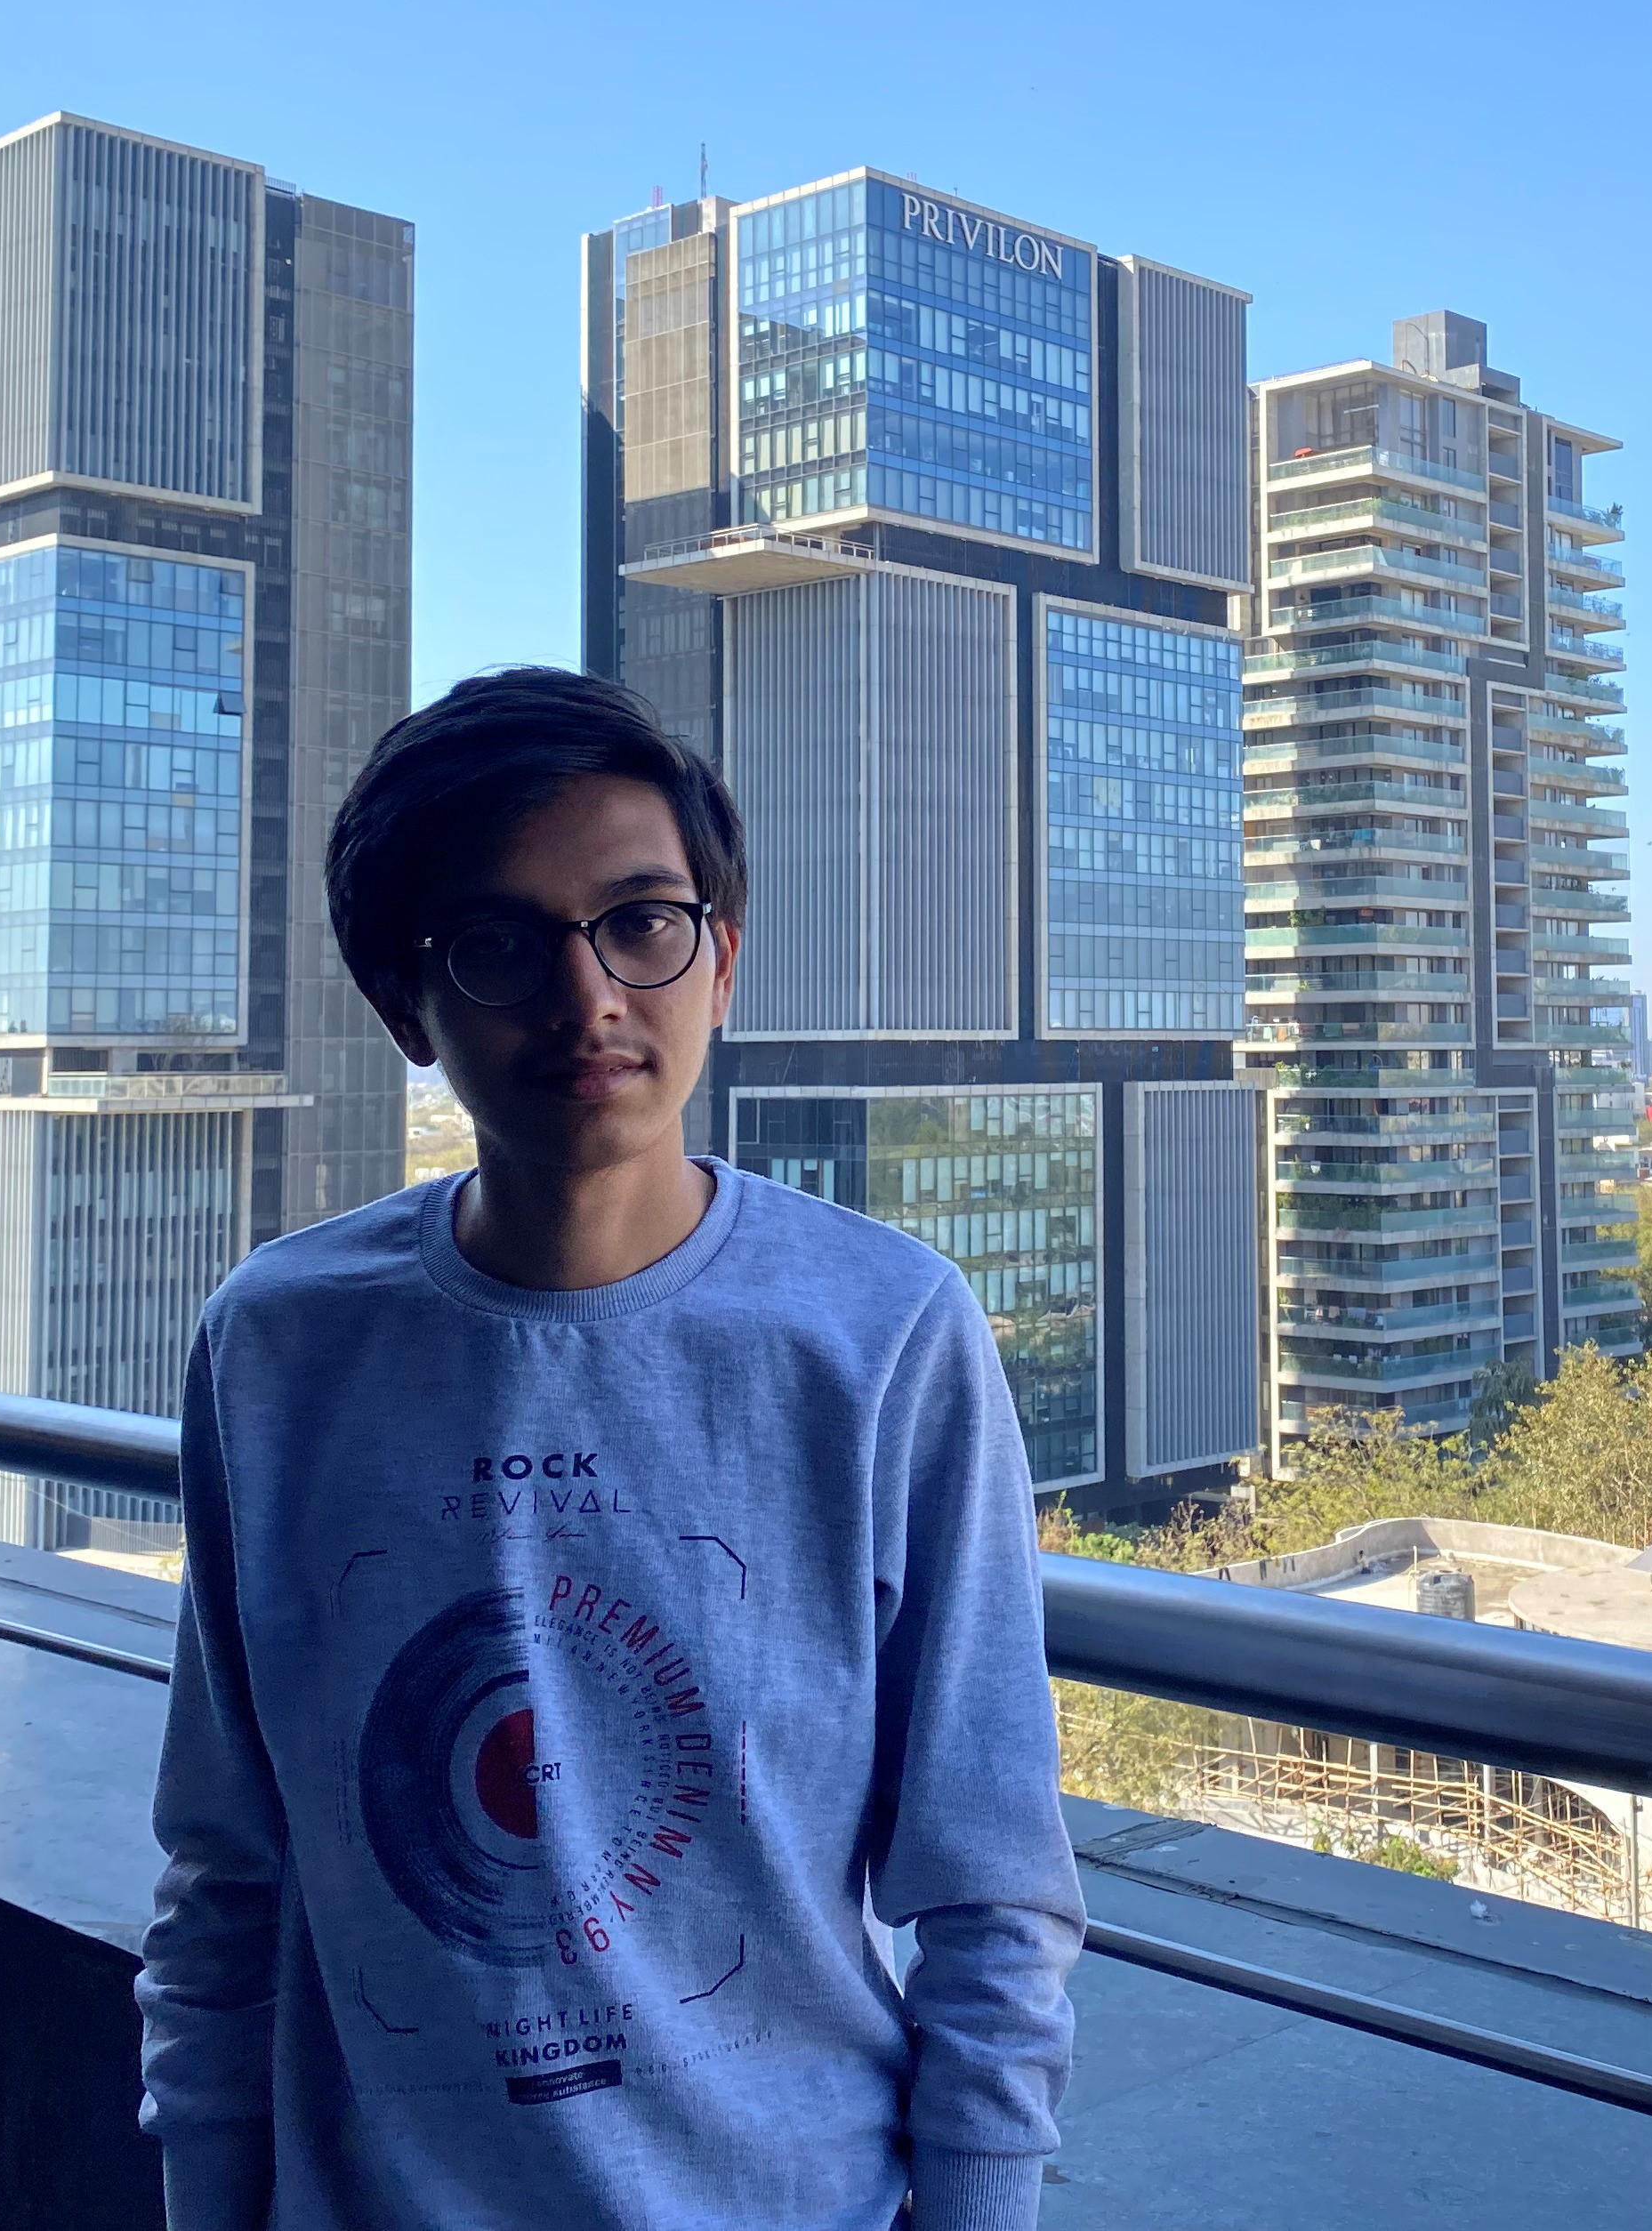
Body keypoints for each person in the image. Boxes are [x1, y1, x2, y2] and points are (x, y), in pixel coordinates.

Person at [137, 667, 1082, 2231]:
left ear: (721, 957)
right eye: (499, 944)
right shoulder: (277, 1344)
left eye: (641, 921)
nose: (589, 1001)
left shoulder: (878, 1332)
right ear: (404, 1004)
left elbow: (986, 1882)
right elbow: (226, 1869)